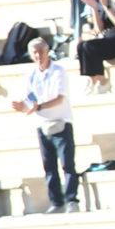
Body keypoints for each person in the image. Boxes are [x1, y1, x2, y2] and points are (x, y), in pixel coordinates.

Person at [11, 36, 77, 215]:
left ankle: (72, 200)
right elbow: (30, 99)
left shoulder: (58, 71)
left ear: (47, 52)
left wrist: (38, 107)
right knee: (49, 167)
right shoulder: (31, 76)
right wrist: (22, 106)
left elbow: (59, 98)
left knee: (67, 164)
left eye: (41, 51)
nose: (38, 55)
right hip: (42, 124)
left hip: (61, 121)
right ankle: (56, 202)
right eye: (35, 52)